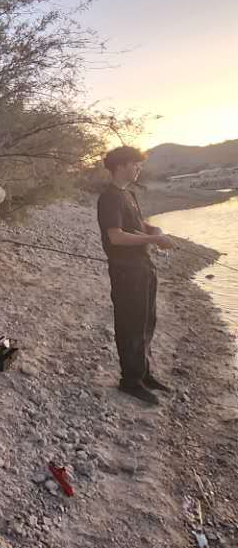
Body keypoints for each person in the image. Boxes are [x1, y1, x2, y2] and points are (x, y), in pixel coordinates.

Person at [97, 146, 175, 405]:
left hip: (144, 266)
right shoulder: (109, 197)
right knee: (130, 323)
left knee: (146, 321)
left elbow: (139, 225)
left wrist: (155, 229)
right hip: (125, 271)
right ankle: (130, 381)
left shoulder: (129, 194)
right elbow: (115, 236)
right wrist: (155, 239)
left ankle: (144, 374)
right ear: (120, 166)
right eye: (134, 164)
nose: (138, 168)